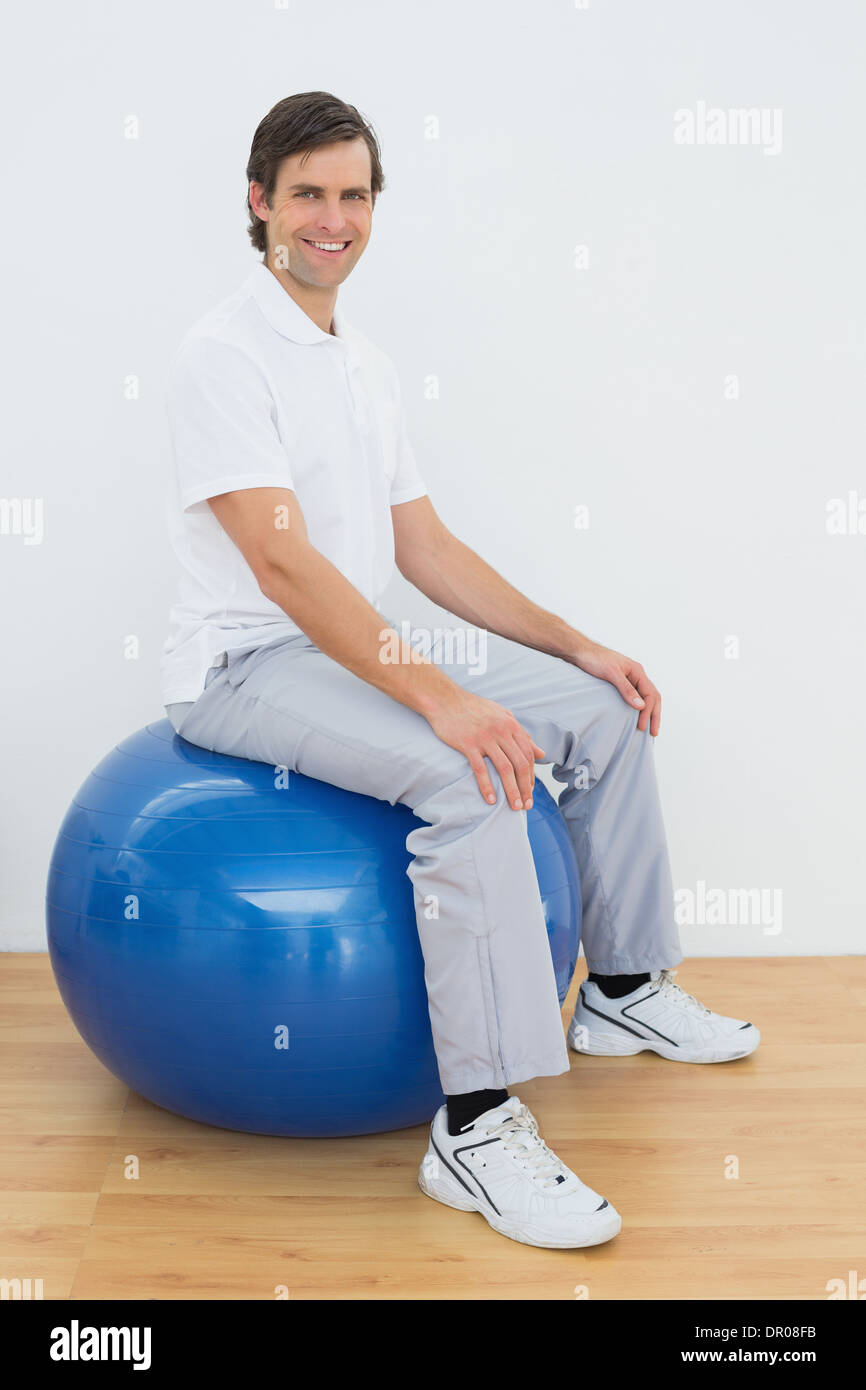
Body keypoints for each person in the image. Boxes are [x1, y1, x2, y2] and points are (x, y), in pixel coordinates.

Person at [161, 90, 759, 1251]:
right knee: (465, 767)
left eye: (353, 195)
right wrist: (442, 698)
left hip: (344, 645)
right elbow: (282, 569)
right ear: (258, 204)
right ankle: (476, 1128)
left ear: (372, 206)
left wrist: (573, 644)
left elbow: (421, 548)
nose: (332, 219)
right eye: (307, 195)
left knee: (597, 712)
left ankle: (623, 991)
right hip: (242, 666)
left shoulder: (364, 366)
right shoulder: (219, 356)